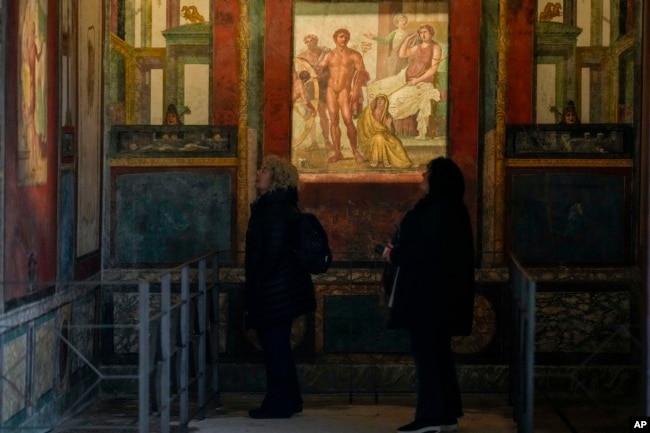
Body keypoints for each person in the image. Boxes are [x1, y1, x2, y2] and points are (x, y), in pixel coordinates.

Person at [380, 157, 475, 433]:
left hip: (429, 297)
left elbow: (425, 251)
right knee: (438, 355)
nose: (423, 174)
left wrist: (394, 254)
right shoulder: (448, 208)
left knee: (428, 357)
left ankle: (431, 417)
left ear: (438, 179)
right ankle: (445, 414)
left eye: (428, 172)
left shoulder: (438, 209)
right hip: (438, 296)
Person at [244, 155, 316, 419]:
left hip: (274, 291)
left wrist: (258, 282)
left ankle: (278, 403)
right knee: (279, 348)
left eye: (263, 170)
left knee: (275, 348)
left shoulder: (273, 209)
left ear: (276, 178)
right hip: (280, 289)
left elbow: (272, 252)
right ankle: (290, 399)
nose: (257, 174)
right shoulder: (280, 205)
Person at [367, 24, 443, 140]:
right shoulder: (418, 46)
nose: (423, 35)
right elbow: (402, 54)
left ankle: (387, 126)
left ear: (431, 33)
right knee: (379, 89)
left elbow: (433, 70)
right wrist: (407, 40)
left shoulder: (435, 47)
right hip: (404, 79)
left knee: (395, 100)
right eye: (421, 32)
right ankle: (377, 127)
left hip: (422, 83)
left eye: (425, 32)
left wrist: (417, 80)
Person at [316, 28, 370, 163]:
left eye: (346, 37)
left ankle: (355, 151)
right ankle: (337, 152)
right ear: (335, 39)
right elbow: (320, 67)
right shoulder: (329, 55)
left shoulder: (355, 55)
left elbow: (361, 73)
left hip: (345, 90)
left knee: (348, 120)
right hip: (330, 90)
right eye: (341, 37)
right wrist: (318, 66)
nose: (343, 39)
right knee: (334, 120)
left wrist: (356, 89)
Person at [358, 94, 414, 168]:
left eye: (382, 99)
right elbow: (364, 127)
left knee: (396, 142)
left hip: (385, 135)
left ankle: (405, 163)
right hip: (370, 137)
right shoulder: (370, 113)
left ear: (386, 102)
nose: (379, 101)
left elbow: (392, 132)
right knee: (379, 137)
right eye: (378, 99)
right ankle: (377, 160)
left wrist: (388, 125)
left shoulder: (387, 114)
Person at [297, 34, 333, 149]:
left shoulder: (325, 54)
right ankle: (314, 142)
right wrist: (308, 77)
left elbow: (331, 72)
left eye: (311, 40)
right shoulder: (302, 56)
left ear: (316, 41)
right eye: (306, 41)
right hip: (309, 88)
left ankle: (327, 141)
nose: (309, 43)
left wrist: (321, 76)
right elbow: (300, 74)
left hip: (322, 87)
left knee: (323, 114)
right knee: (310, 115)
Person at [364, 13, 411, 78]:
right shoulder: (394, 33)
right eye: (402, 20)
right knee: (393, 75)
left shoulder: (409, 33)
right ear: (397, 23)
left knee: (403, 75)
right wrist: (373, 37)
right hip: (394, 57)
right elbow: (385, 41)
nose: (404, 22)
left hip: (405, 57)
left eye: (405, 20)